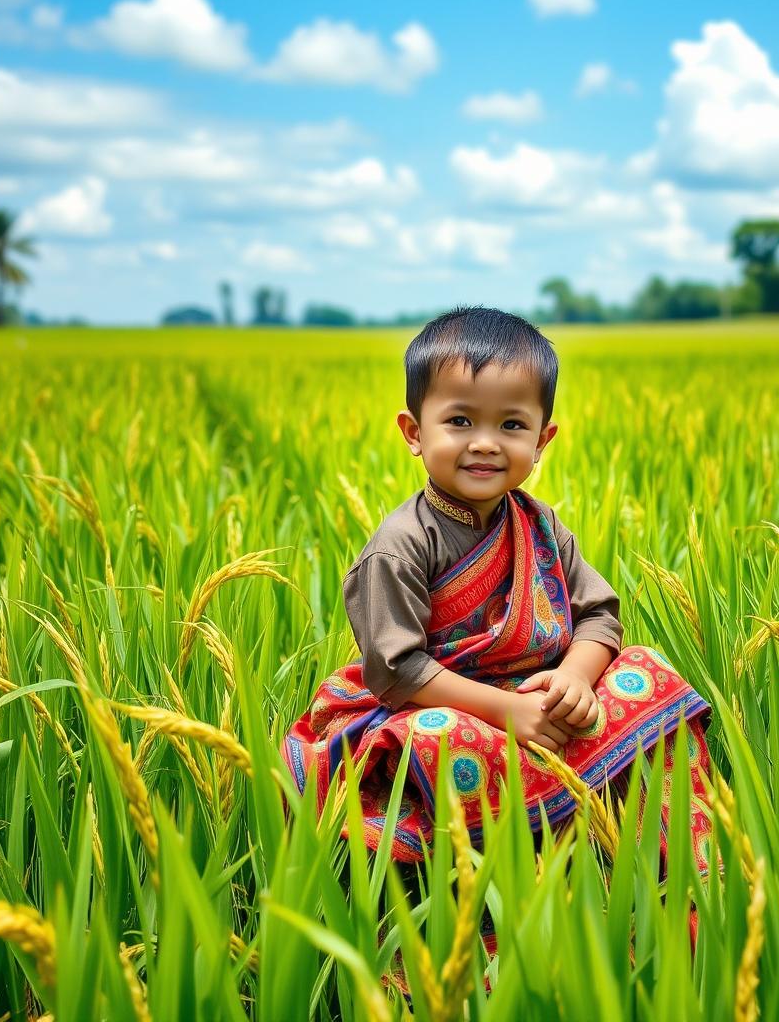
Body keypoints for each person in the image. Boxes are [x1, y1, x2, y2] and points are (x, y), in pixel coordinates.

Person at [280, 306, 713, 973]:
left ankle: (677, 878)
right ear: (413, 433)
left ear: (543, 441)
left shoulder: (541, 525)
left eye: (511, 425)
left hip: (538, 697)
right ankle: (475, 925)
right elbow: (394, 673)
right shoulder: (398, 549)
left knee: (646, 674)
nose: (485, 443)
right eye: (460, 421)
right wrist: (509, 713)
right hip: (433, 708)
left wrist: (573, 677)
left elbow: (600, 616)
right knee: (438, 740)